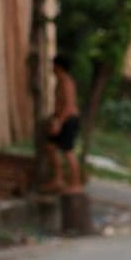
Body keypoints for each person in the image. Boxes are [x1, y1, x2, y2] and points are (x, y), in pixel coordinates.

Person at [47, 54, 82, 193]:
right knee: (50, 147)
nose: (52, 68)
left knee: (68, 151)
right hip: (61, 119)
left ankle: (76, 183)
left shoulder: (67, 82)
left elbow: (68, 105)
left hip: (69, 120)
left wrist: (59, 123)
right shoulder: (60, 81)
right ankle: (58, 179)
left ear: (59, 67)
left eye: (54, 66)